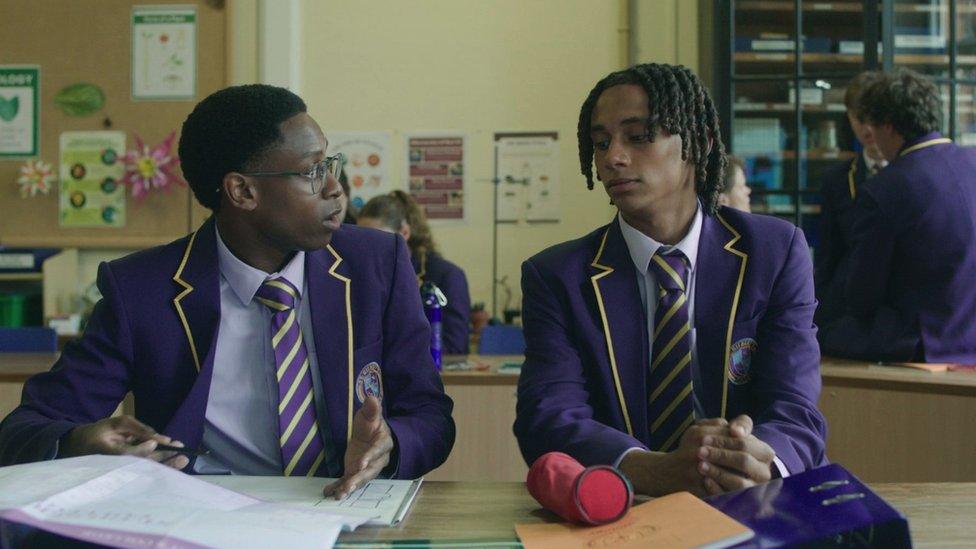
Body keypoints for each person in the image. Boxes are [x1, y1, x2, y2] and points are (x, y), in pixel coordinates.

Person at [0, 85, 455, 499]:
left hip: (346, 509)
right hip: (204, 516)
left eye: (330, 164)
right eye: (313, 171)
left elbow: (430, 416)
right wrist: (81, 441)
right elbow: (26, 428)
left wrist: (390, 444)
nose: (336, 188)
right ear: (242, 190)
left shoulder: (377, 263)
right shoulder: (141, 289)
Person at [514, 63, 826, 498]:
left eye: (638, 136)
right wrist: (656, 470)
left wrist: (757, 460)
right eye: (600, 142)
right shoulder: (557, 276)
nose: (612, 158)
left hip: (756, 501)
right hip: (626, 508)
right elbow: (548, 417)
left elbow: (796, 407)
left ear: (699, 143)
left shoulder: (774, 251)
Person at [820, 69, 976, 362]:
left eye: (874, 127)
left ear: (889, 127)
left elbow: (861, 295)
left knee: (818, 334)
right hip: (969, 333)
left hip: (924, 341)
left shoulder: (888, 186)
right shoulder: (972, 161)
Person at [358, 191, 471, 355]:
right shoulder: (361, 276)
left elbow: (455, 347)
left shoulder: (448, 276)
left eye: (377, 240)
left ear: (404, 232)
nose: (368, 250)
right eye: (361, 241)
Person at [815, 71, 887, 325]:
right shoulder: (836, 179)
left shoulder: (912, 175)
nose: (867, 128)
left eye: (873, 118)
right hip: (848, 310)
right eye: (859, 119)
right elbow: (828, 256)